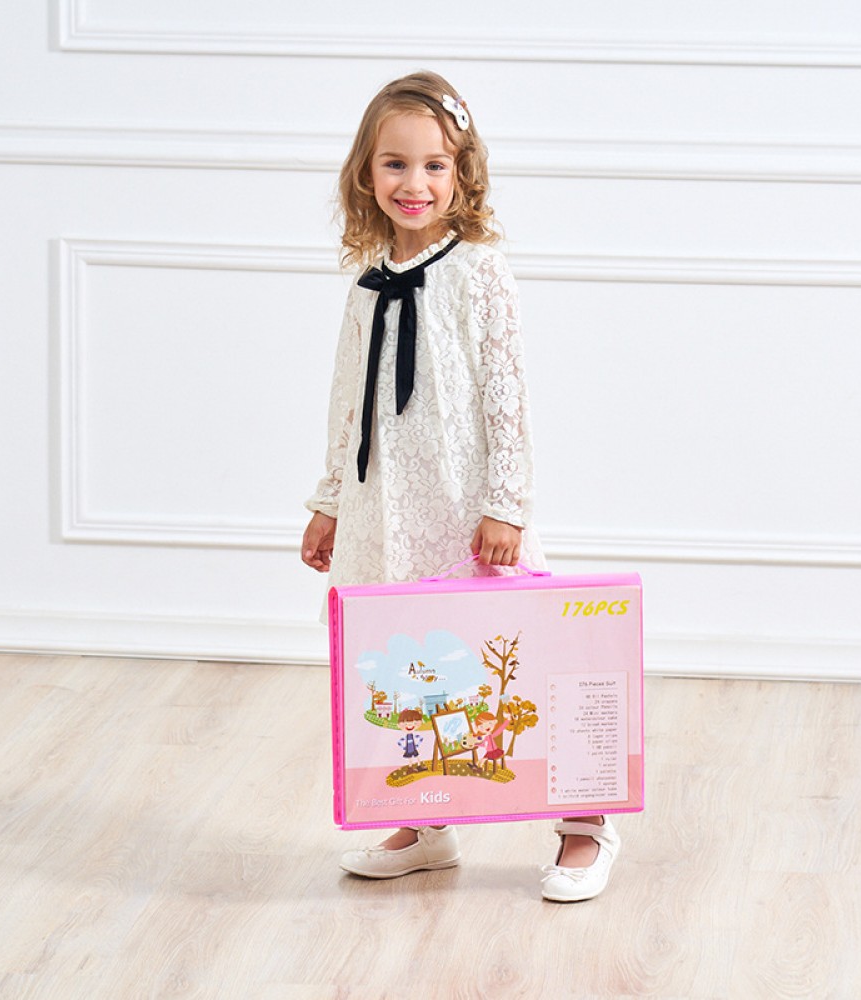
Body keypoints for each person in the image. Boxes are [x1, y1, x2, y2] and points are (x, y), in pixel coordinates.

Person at [301, 71, 619, 902]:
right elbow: (347, 401)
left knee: (516, 658)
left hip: (465, 505)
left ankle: (585, 821)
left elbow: (507, 394)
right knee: (411, 666)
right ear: (366, 173)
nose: (415, 183)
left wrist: (505, 504)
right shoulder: (367, 282)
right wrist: (331, 501)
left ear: (462, 173)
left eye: (435, 166)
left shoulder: (480, 271)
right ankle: (426, 821)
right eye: (395, 164)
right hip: (385, 510)